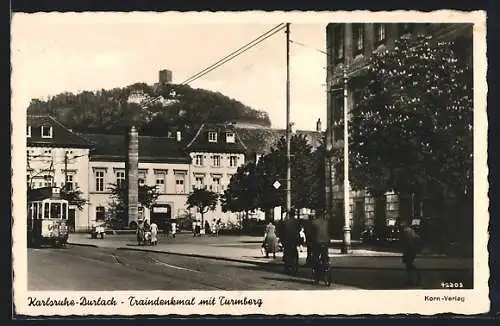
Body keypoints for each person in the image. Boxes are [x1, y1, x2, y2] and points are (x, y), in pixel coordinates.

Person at [400, 221, 422, 286]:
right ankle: (411, 279)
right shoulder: (410, 230)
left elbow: (408, 240)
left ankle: (415, 276)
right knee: (408, 265)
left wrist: (406, 250)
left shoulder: (406, 231)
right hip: (411, 249)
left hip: (409, 249)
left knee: (408, 264)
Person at [310, 215, 330, 283]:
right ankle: (326, 267)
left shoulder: (314, 222)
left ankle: (317, 277)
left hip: (317, 243)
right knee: (325, 257)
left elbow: (312, 234)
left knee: (315, 258)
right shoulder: (326, 222)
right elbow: (329, 232)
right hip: (325, 242)